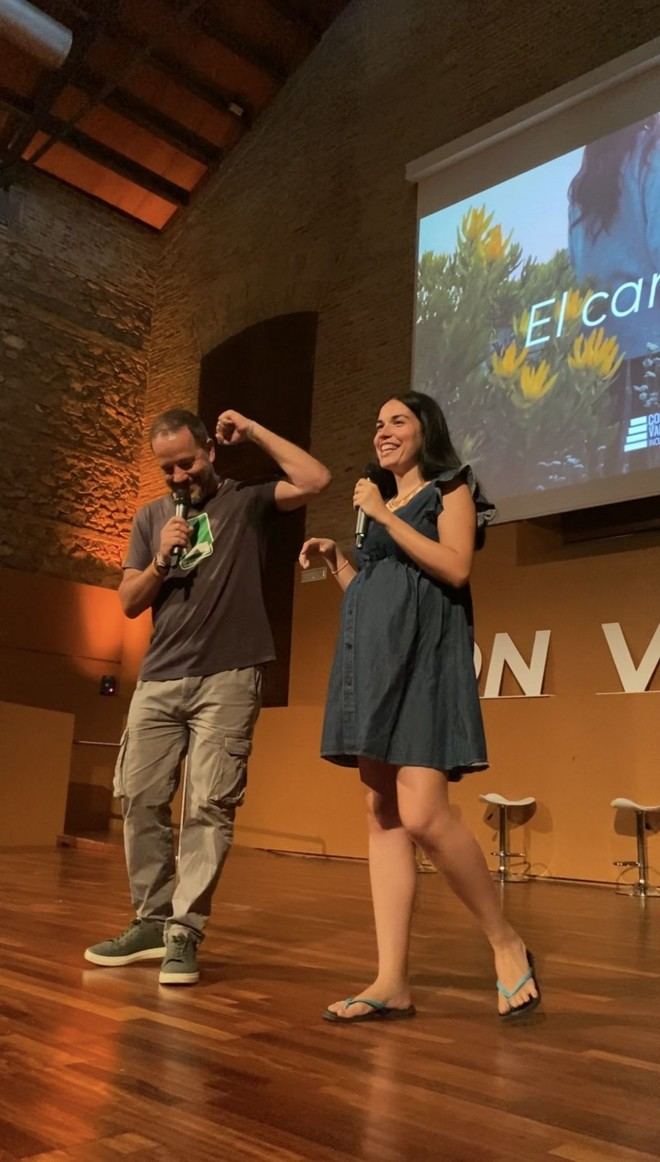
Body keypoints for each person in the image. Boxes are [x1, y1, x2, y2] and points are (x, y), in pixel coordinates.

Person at [299, 391, 540, 1022]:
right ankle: (391, 981)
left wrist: (383, 513)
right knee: (381, 811)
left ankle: (505, 941)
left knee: (425, 814)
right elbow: (376, 589)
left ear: (424, 430)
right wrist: (338, 562)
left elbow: (455, 568)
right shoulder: (379, 507)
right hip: (373, 667)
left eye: (397, 421)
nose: (382, 431)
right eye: (377, 423)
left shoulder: (449, 488)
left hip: (425, 663)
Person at [85, 407, 330, 985]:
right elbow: (128, 601)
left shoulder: (245, 500)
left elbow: (317, 479)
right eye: (167, 468)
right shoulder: (151, 518)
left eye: (187, 463)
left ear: (211, 451)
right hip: (159, 678)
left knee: (208, 805)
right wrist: (159, 559)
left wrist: (255, 431)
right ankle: (151, 921)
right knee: (139, 796)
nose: (178, 477)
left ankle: (184, 931)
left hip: (229, 676)